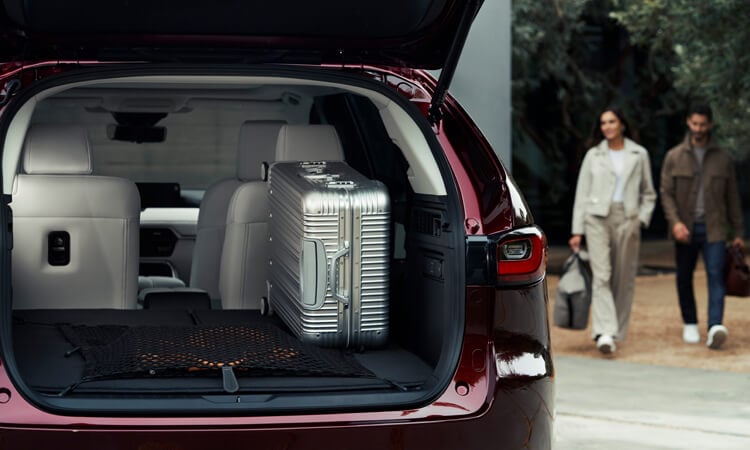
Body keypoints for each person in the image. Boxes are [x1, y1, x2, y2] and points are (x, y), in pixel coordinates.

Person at [569, 107, 657, 355]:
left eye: (611, 121)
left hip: (627, 218)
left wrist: (641, 218)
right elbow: (582, 193)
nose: (606, 126)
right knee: (603, 275)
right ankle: (605, 331)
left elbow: (648, 193)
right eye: (603, 123)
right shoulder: (593, 155)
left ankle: (615, 330)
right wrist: (577, 230)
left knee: (623, 276)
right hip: (596, 218)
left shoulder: (639, 154)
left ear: (622, 125)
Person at [659, 103, 744, 349]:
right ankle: (690, 322)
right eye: (695, 124)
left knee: (716, 275)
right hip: (684, 229)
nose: (699, 128)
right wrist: (675, 223)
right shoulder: (674, 156)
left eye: (703, 124)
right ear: (688, 122)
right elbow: (666, 194)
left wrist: (738, 232)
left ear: (710, 124)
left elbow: (733, 198)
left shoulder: (723, 158)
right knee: (684, 277)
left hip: (714, 229)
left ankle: (715, 325)